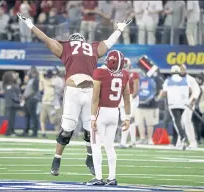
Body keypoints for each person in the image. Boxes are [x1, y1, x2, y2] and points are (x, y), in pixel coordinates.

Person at [17, 12, 132, 176]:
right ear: (82, 41)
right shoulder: (92, 47)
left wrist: (30, 25)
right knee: (82, 130)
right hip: (81, 91)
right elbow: (109, 42)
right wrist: (119, 29)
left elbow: (45, 39)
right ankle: (61, 158)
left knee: (74, 130)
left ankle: (73, 159)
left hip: (81, 91)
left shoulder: (66, 47)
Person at [86, 50, 130, 185]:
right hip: (114, 112)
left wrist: (92, 117)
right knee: (109, 146)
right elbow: (127, 98)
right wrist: (127, 117)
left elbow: (95, 98)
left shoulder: (100, 72)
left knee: (96, 145)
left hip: (101, 111)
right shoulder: (125, 74)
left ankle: (98, 178)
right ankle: (112, 177)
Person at [157, 65, 192, 150]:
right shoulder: (185, 80)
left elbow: (164, 94)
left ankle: (183, 137)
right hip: (183, 104)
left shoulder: (168, 81)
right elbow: (190, 91)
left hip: (173, 104)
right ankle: (177, 142)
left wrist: (162, 94)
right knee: (178, 122)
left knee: (177, 122)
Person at [119, 57, 139, 148]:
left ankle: (129, 141)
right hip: (122, 98)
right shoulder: (118, 74)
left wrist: (131, 98)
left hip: (130, 97)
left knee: (129, 119)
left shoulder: (133, 74)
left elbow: (136, 89)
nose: (124, 67)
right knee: (125, 120)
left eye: (126, 65)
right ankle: (127, 141)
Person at [180, 64, 201, 149]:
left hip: (188, 103)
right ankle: (181, 141)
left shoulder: (190, 79)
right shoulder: (177, 79)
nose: (182, 71)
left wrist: (193, 100)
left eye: (183, 69)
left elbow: (197, 90)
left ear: (186, 70)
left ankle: (193, 142)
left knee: (187, 121)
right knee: (180, 123)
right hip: (179, 104)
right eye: (180, 69)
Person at [21, 66, 39, 137]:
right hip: (27, 99)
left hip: (32, 99)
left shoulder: (36, 79)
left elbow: (35, 90)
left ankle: (34, 132)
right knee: (27, 115)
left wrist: (26, 96)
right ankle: (26, 131)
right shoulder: (31, 79)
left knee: (33, 116)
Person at [2, 71, 21, 136]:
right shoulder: (9, 85)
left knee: (12, 119)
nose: (14, 76)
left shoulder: (11, 84)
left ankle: (11, 131)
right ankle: (8, 132)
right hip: (11, 104)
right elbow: (12, 95)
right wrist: (19, 100)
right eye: (13, 75)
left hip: (13, 104)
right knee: (10, 119)